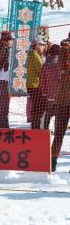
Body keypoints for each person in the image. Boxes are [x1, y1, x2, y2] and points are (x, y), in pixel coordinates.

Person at [51, 35, 70, 171]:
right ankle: (52, 161)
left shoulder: (64, 50)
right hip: (63, 99)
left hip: (63, 98)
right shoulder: (64, 49)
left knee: (58, 133)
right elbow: (61, 67)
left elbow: (61, 67)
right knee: (58, 133)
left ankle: (52, 162)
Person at [27, 37, 47, 129]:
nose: (43, 47)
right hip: (36, 85)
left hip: (33, 85)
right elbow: (42, 69)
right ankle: (36, 127)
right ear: (36, 46)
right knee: (39, 107)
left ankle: (35, 126)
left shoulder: (33, 55)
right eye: (42, 45)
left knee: (37, 107)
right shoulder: (35, 55)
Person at [40, 44, 61, 130]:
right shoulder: (60, 64)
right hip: (59, 93)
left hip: (49, 93)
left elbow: (42, 80)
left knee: (48, 112)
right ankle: (57, 129)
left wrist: (44, 92)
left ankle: (46, 128)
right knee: (59, 113)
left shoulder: (45, 64)